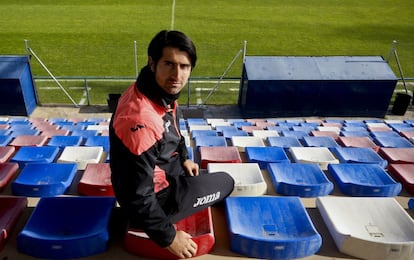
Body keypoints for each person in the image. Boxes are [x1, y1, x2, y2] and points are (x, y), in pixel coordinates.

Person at [109, 30, 235, 259]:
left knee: (200, 173)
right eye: (169, 64)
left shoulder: (156, 92)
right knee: (226, 181)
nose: (177, 75)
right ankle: (162, 218)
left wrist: (185, 157)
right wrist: (168, 237)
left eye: (184, 66)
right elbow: (137, 195)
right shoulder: (141, 119)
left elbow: (174, 131)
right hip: (155, 199)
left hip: (163, 172)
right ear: (152, 62)